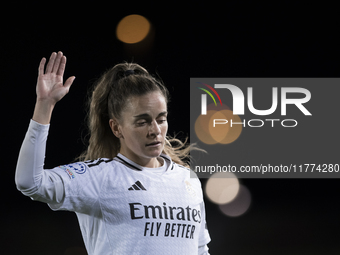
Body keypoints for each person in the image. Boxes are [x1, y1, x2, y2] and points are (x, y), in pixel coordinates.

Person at [15, 51, 211, 254]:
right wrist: (44, 105)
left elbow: (200, 250)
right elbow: (30, 182)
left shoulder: (187, 179)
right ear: (116, 128)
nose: (155, 130)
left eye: (161, 119)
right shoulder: (99, 178)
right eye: (142, 122)